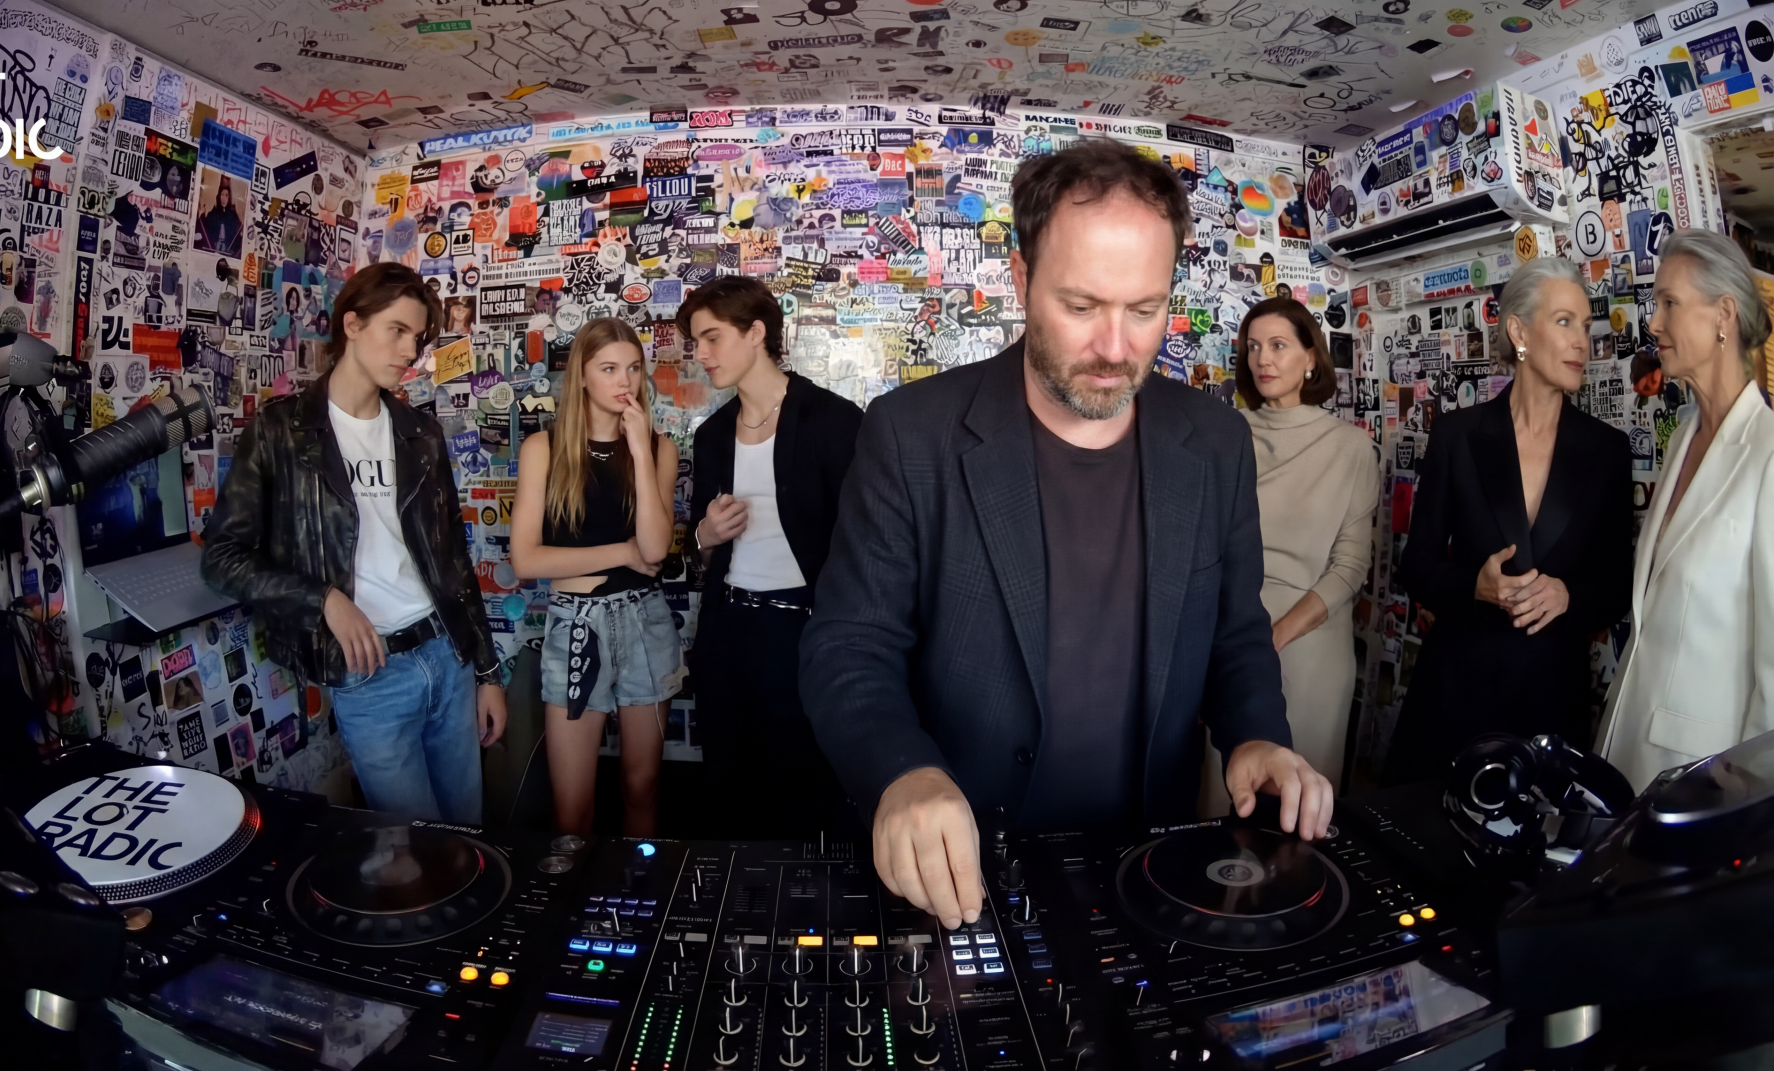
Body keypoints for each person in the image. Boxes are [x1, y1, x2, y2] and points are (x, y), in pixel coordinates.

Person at [801, 139, 1331, 929]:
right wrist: (901, 770)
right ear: (1020, 280)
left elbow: (1234, 630)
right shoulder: (909, 434)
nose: (1115, 348)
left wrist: (1254, 735)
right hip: (963, 871)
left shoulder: (1216, 441)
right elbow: (849, 643)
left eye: (1143, 310)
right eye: (1081, 307)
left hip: (1150, 865)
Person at [203, 262, 508, 823]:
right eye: (397, 330)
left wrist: (487, 673)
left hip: (447, 655)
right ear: (352, 324)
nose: (410, 350)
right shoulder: (280, 431)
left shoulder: (421, 433)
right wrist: (323, 600)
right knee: (409, 848)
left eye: (418, 337)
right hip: (370, 677)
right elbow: (221, 559)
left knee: (469, 837)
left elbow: (453, 560)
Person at [1381, 259, 1633, 786]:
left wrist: (1567, 596)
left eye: (1585, 325)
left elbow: (1617, 585)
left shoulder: (1607, 449)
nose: (1582, 342)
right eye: (1564, 322)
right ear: (1519, 332)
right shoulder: (1456, 435)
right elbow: (1417, 564)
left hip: (1551, 705)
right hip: (1455, 696)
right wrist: (1474, 586)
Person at [681, 276, 863, 837]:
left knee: (802, 788)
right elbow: (696, 549)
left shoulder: (834, 421)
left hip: (804, 633)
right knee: (729, 787)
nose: (700, 354)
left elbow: (869, 545)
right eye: (695, 342)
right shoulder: (712, 435)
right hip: (727, 630)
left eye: (712, 338)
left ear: (756, 332)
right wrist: (704, 535)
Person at [1599, 230, 1774, 787]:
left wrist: (1744, 801)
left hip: (1702, 780)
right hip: (1624, 753)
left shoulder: (1769, 452)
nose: (1653, 323)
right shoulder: (1681, 440)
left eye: (1669, 302)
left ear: (1724, 315)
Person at [511, 318, 681, 837]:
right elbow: (526, 562)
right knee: (572, 810)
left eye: (633, 368)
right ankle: (574, 888)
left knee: (641, 788)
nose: (624, 381)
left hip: (645, 623)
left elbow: (655, 549)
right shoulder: (543, 449)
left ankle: (641, 884)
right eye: (608, 369)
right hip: (575, 625)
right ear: (581, 375)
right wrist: (623, 553)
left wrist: (639, 450)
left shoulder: (660, 449)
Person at [1205, 296, 1377, 800]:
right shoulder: (1223, 434)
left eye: (1278, 345)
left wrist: (1274, 637)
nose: (1263, 359)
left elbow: (1351, 566)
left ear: (1311, 358)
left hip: (1312, 647)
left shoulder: (1351, 447)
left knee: (1303, 810)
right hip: (1231, 643)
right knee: (1225, 804)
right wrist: (1241, 649)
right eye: (1254, 347)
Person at [196, 176, 243, 256]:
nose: (223, 198)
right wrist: (201, 214)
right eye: (222, 195)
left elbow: (237, 231)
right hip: (214, 247)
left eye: (226, 195)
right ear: (219, 196)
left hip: (227, 249)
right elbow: (204, 226)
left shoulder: (232, 215)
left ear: (229, 198)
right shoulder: (214, 213)